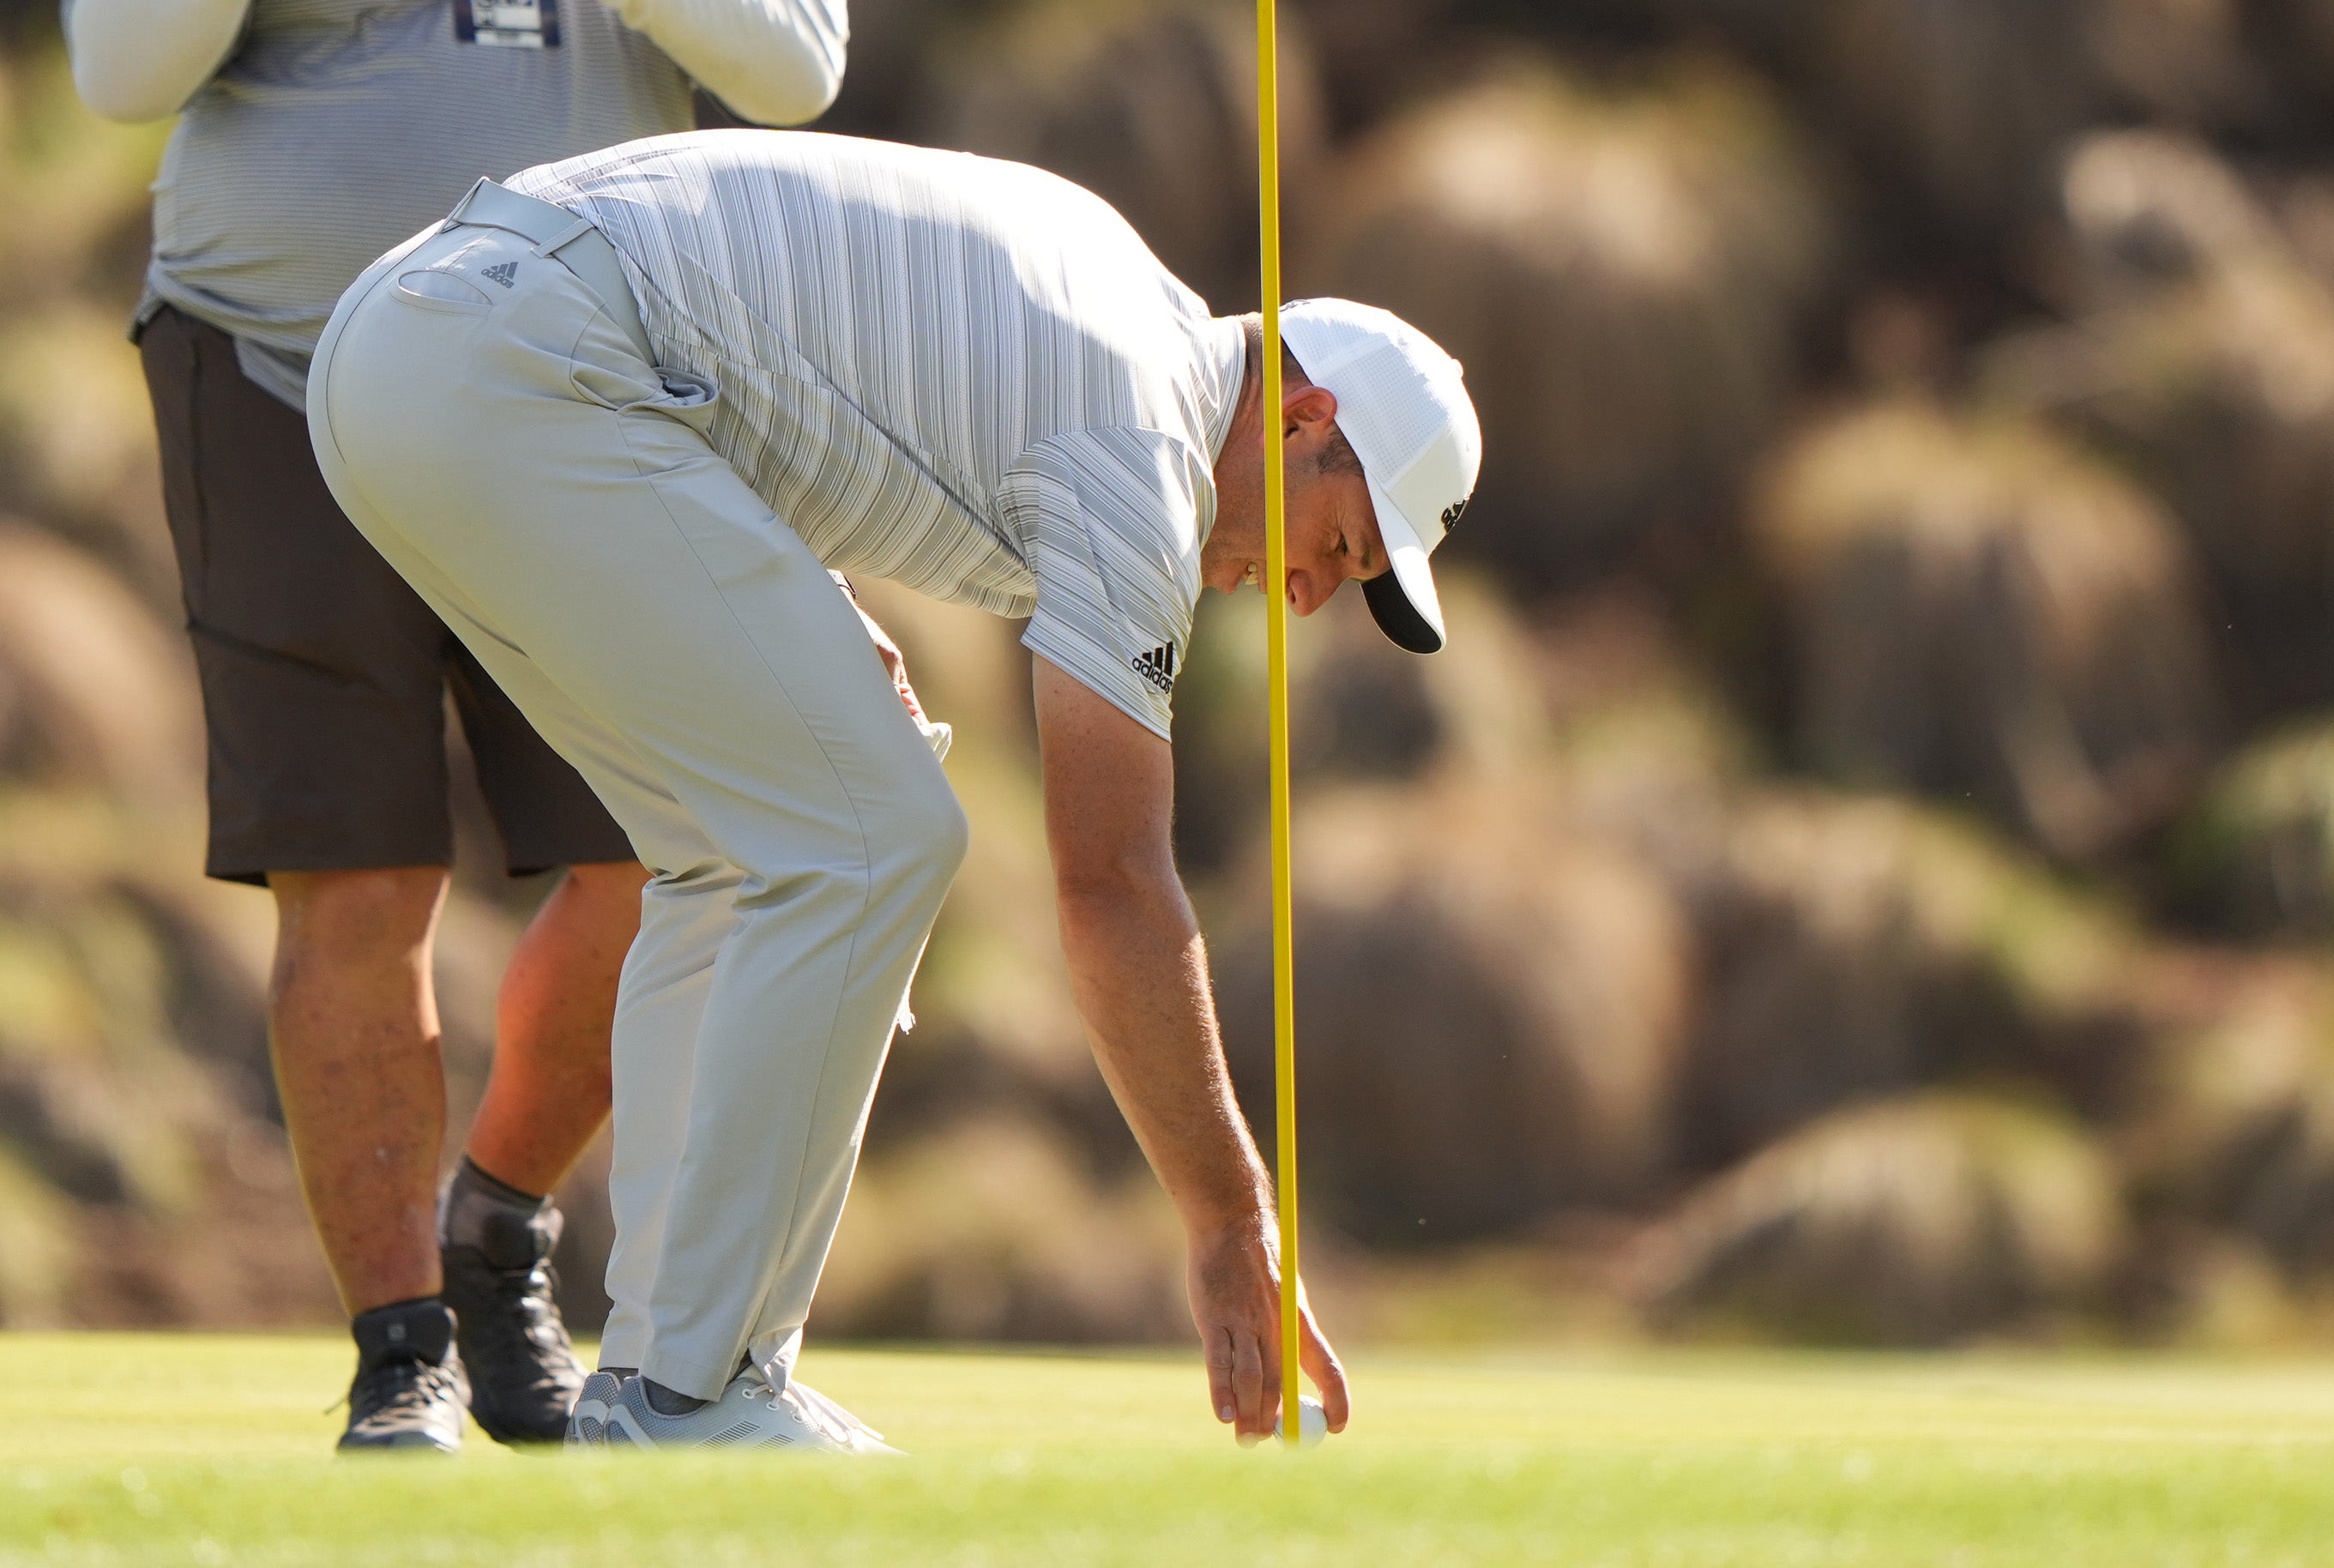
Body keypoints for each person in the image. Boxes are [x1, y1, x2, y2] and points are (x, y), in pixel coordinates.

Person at [304, 129, 1481, 1450]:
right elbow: (1112, 884)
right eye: (1338, 543)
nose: (1309, 593)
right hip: (516, 361)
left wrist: (804, 596)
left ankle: (657, 1378)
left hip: (399, 355)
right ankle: (697, 1389)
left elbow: (779, 339)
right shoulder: (1142, 444)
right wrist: (1228, 1219)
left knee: (734, 851)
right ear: (1303, 418)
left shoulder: (1119, 298)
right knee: (877, 831)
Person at [61, 0, 852, 1453]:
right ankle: (399, 1354)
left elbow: (796, 61)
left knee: (660, 857)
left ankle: (495, 1221)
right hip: (268, 365)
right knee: (357, 881)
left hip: (583, 389)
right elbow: (118, 64)